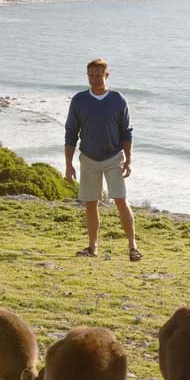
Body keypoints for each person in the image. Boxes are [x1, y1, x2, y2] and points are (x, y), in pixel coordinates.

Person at [63, 58, 140, 261]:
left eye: (98, 75)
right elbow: (71, 133)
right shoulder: (79, 100)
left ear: (107, 75)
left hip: (114, 158)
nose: (95, 79)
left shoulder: (117, 100)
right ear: (87, 76)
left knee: (121, 201)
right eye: (91, 75)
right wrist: (68, 164)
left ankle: (133, 246)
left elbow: (127, 132)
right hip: (88, 159)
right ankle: (92, 247)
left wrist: (128, 160)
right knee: (90, 203)